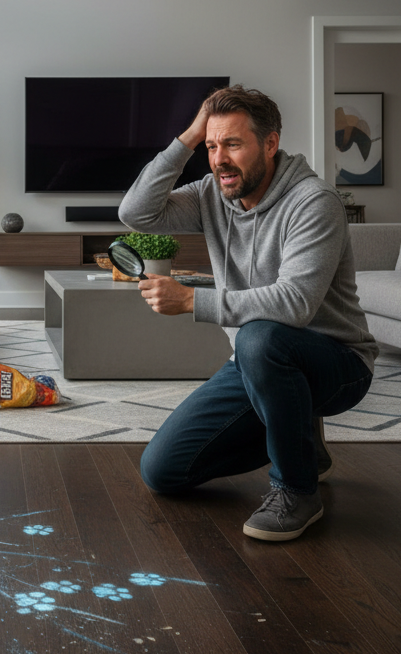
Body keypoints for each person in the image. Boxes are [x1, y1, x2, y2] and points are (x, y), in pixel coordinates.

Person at [118, 84, 377, 541]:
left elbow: (294, 303)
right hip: (257, 363)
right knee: (162, 471)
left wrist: (191, 300)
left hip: (337, 362)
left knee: (260, 337)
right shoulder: (213, 194)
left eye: (232, 144)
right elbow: (136, 213)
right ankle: (303, 444)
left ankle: (297, 490)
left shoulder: (314, 202)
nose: (219, 159)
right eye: (213, 147)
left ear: (270, 143)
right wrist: (191, 137)